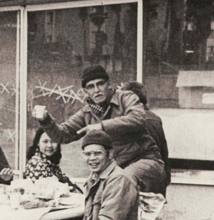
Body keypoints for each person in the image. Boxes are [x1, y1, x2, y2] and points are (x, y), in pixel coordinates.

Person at [34, 65, 166, 195]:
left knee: (122, 180)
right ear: (86, 91)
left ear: (108, 84)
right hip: (114, 168)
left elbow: (138, 118)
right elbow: (63, 135)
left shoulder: (126, 97)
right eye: (91, 87)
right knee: (92, 189)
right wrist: (46, 120)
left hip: (144, 160)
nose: (96, 90)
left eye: (100, 84)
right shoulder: (87, 112)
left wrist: (102, 126)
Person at [27, 130, 138, 220]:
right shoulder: (96, 176)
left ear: (109, 153)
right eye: (87, 154)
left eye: (97, 153)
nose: (92, 158)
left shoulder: (119, 180)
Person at [120, 81, 171, 194]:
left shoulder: (134, 121)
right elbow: (163, 152)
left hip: (140, 184)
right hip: (155, 181)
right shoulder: (155, 118)